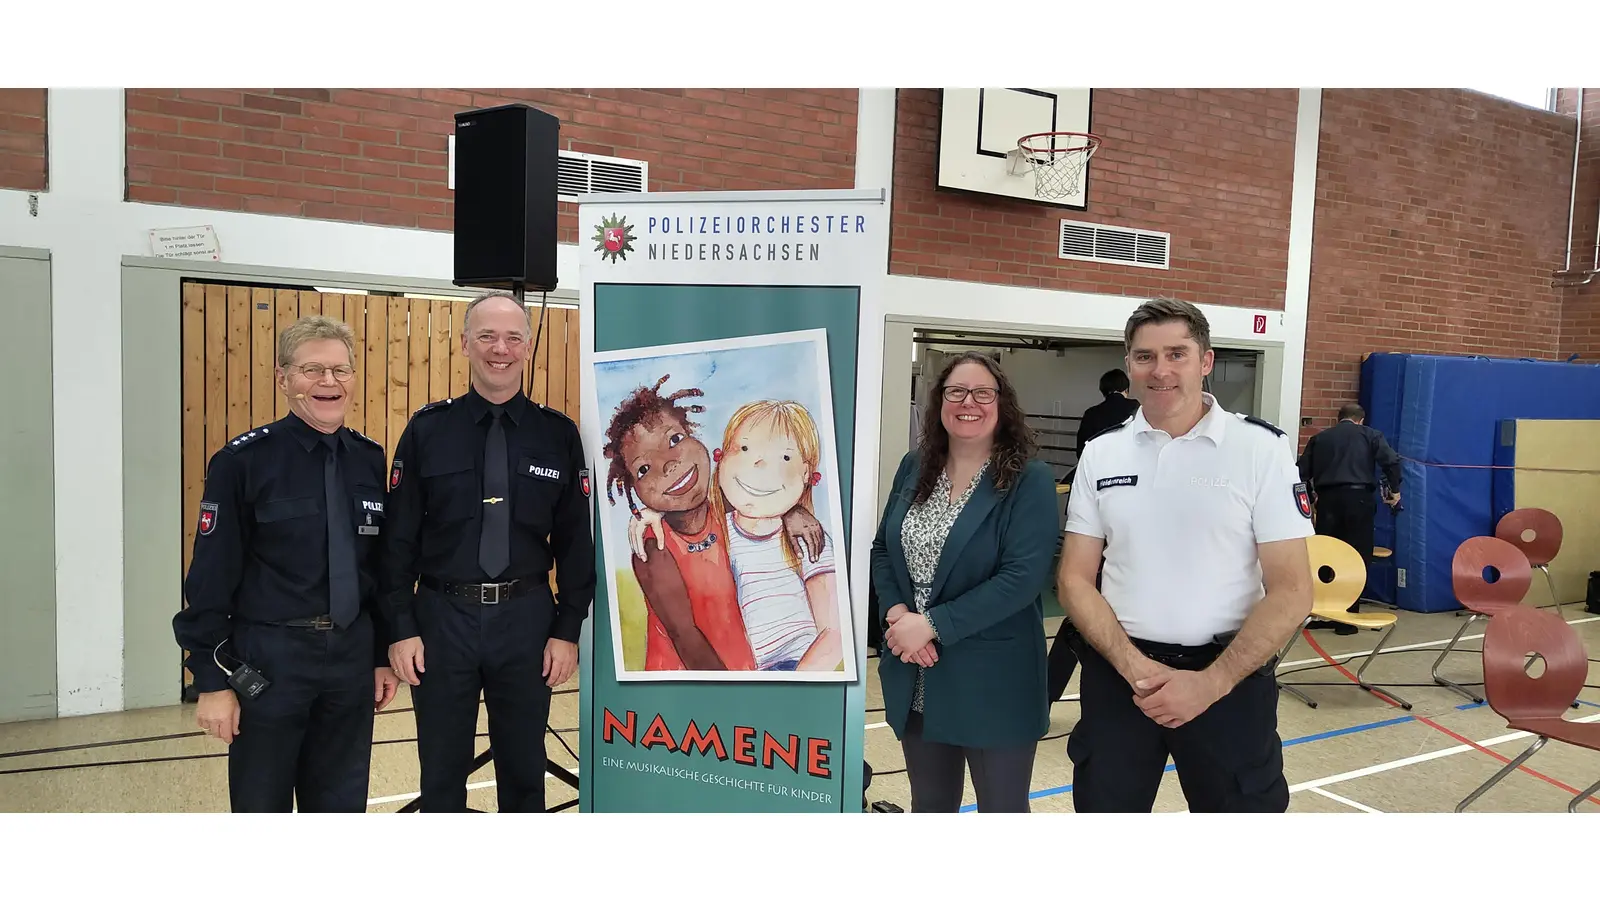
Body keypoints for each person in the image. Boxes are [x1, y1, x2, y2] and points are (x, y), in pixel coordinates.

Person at [1059, 297, 1313, 814]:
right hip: (1121, 677)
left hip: (1230, 678)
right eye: (1145, 356)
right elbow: (1074, 579)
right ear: (1129, 365)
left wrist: (1210, 684)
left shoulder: (1260, 449)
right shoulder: (1102, 452)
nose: (1161, 370)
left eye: (1177, 354)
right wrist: (1134, 668)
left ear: (1206, 361)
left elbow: (1292, 589)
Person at [174, 315, 400, 813]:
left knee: (340, 808)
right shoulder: (243, 462)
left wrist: (380, 654)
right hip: (271, 660)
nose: (328, 382)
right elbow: (210, 579)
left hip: (349, 660)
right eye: (312, 369)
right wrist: (210, 680)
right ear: (283, 378)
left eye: (340, 370)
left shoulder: (368, 458)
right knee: (262, 807)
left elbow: (377, 569)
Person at [381, 291, 594, 813]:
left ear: (528, 347)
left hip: (526, 620)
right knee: (441, 772)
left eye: (513, 338)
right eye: (487, 337)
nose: (501, 349)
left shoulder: (557, 434)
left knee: (524, 772)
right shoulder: (428, 430)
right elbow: (397, 541)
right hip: (441, 619)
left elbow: (574, 542)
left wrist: (567, 631)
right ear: (464, 344)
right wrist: (401, 628)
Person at [872, 350, 1061, 812]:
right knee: (930, 806)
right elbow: (883, 550)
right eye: (956, 391)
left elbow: (1021, 578)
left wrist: (930, 624)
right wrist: (898, 616)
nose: (968, 402)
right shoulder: (915, 466)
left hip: (993, 679)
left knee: (1002, 810)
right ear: (940, 401)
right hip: (918, 669)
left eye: (982, 393)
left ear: (1002, 403)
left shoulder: (1028, 479)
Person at [1048, 368, 1141, 703]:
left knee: (1081, 613)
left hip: (1097, 525)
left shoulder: (1092, 415)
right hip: (1125, 535)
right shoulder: (1136, 412)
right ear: (1127, 387)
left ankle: (1045, 696)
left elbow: (1081, 455)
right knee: (1087, 618)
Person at [1297, 402, 1402, 629]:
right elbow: (1392, 461)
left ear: (1338, 419)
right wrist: (1394, 490)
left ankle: (1321, 613)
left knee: (1326, 555)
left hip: (1328, 501)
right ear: (1360, 420)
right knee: (1356, 555)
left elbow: (1300, 472)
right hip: (1359, 500)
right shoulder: (1371, 435)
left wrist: (1310, 497)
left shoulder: (1320, 438)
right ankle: (1348, 617)